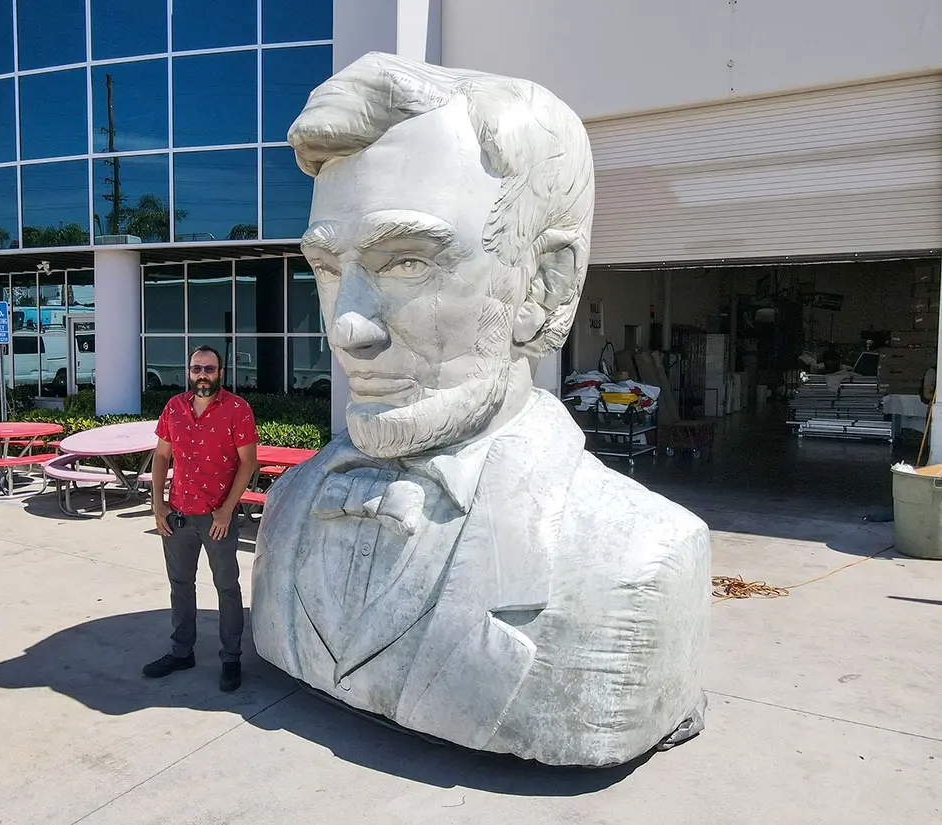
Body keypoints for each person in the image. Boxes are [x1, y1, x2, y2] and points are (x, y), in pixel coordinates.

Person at [250, 52, 711, 767]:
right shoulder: (285, 510)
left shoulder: (642, 557)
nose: (346, 328)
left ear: (546, 287)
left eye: (406, 263)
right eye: (329, 269)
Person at [143, 345, 259, 691]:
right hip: (176, 515)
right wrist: (158, 503)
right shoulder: (174, 407)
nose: (202, 374)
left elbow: (248, 462)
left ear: (220, 372)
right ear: (189, 371)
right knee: (180, 586)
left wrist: (226, 510)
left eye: (209, 368)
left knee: (226, 587)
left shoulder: (237, 409)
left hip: (216, 518)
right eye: (196, 368)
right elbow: (162, 456)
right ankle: (182, 651)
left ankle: (231, 658)